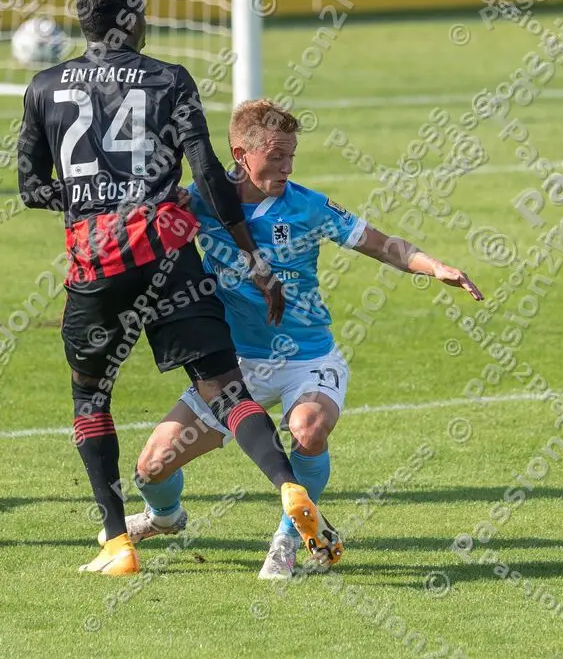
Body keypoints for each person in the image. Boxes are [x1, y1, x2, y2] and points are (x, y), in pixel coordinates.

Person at [17, 0, 341, 575]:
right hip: (169, 257)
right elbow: (211, 177)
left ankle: (117, 543)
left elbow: (33, 189)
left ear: (84, 24)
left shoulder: (43, 87)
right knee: (226, 387)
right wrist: (252, 258)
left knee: (92, 396)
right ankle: (286, 485)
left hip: (97, 260)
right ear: (133, 20)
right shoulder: (170, 78)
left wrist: (96, 202)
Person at [117, 98, 483, 578]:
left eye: (292, 156)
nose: (287, 167)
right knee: (152, 467)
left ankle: (290, 538)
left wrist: (433, 266)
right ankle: (165, 517)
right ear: (240, 153)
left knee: (308, 429)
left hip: (307, 359)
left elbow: (378, 242)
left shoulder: (308, 206)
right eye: (276, 157)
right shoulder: (203, 199)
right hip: (229, 369)